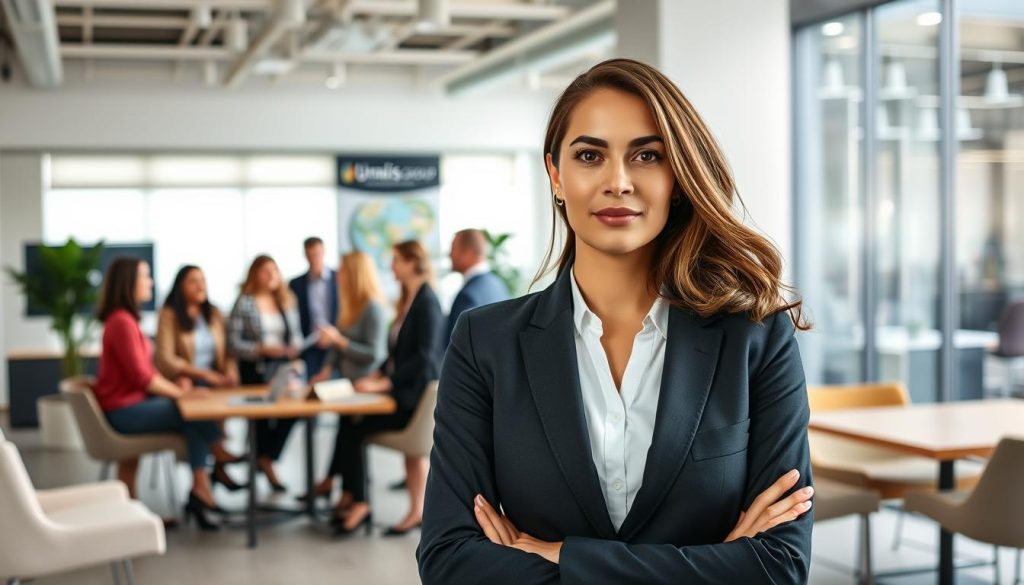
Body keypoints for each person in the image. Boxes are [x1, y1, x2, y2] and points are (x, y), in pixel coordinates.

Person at [417, 59, 815, 584]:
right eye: (589, 155)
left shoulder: (756, 337)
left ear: (677, 178)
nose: (618, 182)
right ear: (556, 176)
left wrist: (564, 556)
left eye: (647, 155)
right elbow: (449, 560)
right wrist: (715, 562)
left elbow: (778, 567)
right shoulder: (485, 341)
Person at [93, 257, 234, 531]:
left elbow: (149, 371)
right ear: (129, 283)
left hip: (131, 405)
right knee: (192, 411)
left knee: (191, 415)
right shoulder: (122, 322)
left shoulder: (126, 320)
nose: (151, 282)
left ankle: (200, 488)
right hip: (123, 411)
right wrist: (182, 396)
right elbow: (144, 378)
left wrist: (178, 390)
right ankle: (218, 454)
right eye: (145, 276)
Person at [329, 240, 444, 537]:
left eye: (395, 260)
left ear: (411, 262)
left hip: (413, 402)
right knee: (348, 421)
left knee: (353, 429)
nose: (391, 266)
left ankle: (357, 502)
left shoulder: (427, 303)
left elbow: (425, 360)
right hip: (402, 396)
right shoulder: (408, 300)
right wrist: (378, 376)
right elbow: (396, 355)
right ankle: (351, 496)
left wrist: (386, 383)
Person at [299, 251, 389, 504]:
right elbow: (336, 348)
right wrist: (326, 368)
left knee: (349, 434)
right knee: (344, 432)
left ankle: (343, 490)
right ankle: (341, 489)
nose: (338, 277)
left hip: (364, 388)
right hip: (346, 386)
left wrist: (339, 340)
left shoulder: (373, 308)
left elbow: (374, 354)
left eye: (343, 272)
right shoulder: (350, 306)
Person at [155, 264, 245, 492]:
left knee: (199, 419)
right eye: (193, 281)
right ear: (180, 286)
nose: (200, 285)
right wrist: (204, 374)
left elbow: (229, 351)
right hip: (187, 379)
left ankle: (203, 484)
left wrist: (229, 371)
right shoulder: (169, 314)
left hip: (215, 381)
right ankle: (217, 455)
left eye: (202, 280)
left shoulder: (213, 313)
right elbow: (165, 359)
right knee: (196, 412)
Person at [228, 255, 302, 492]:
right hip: (256, 369)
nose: (271, 275)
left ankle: (265, 458)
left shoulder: (286, 301)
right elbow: (233, 343)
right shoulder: (244, 302)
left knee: (293, 412)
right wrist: (261, 349)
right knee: (260, 421)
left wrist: (295, 354)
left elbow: (296, 335)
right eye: (265, 271)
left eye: (275, 270)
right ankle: (265, 463)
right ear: (254, 274)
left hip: (283, 370)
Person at [445, 229, 510, 342]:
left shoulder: (468, 295)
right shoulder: (498, 284)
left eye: (453, 248)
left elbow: (455, 347)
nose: (449, 254)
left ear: (467, 252)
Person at [290, 236, 339, 379]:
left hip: (335, 343)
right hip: (309, 345)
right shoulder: (296, 284)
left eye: (317, 254)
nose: (314, 259)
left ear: (324, 252)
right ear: (305, 255)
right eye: (310, 255)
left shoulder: (339, 279)